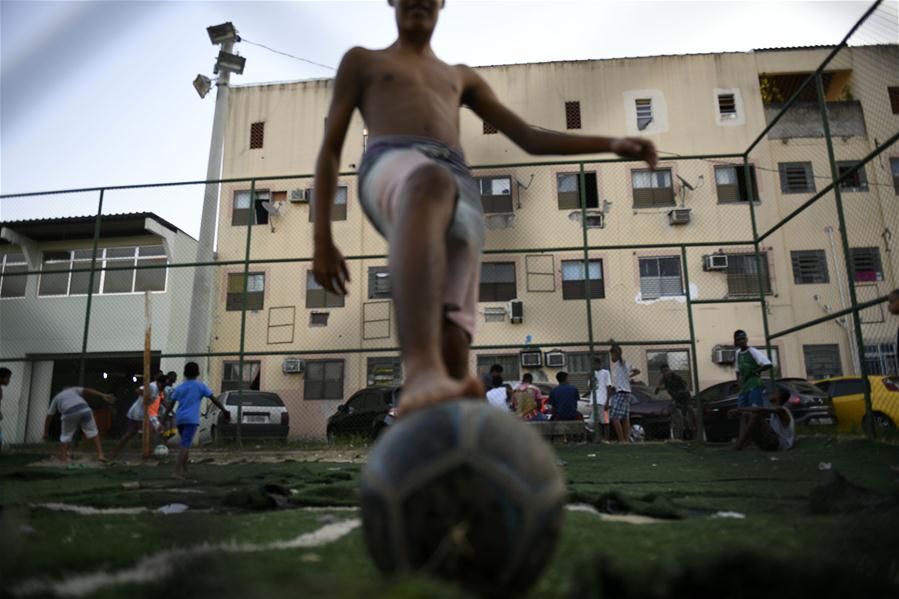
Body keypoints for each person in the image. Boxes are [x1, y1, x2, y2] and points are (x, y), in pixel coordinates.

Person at [311, 0, 657, 417]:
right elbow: (330, 149)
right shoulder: (363, 61)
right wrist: (322, 238)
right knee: (428, 181)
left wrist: (612, 144)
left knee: (455, 340)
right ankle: (420, 370)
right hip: (391, 162)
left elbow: (529, 137)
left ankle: (454, 435)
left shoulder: (459, 77)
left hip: (456, 179)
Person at [160, 362, 228, 480]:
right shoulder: (200, 386)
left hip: (180, 419)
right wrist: (224, 410)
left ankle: (185, 470)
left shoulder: (180, 387)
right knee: (185, 445)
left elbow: (171, 405)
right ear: (197, 373)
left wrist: (164, 418)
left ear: (185, 373)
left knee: (185, 444)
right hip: (191, 419)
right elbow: (213, 399)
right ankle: (176, 471)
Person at [43, 387, 116, 464]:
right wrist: (103, 395)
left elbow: (49, 417)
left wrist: (46, 432)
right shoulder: (72, 390)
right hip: (85, 409)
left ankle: (63, 459)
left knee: (66, 435)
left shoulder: (56, 398)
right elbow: (88, 390)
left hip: (69, 412)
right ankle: (100, 455)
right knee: (93, 432)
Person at [108, 374, 167, 461]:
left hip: (142, 413)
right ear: (159, 383)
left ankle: (114, 453)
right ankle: (148, 454)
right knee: (150, 431)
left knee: (130, 434)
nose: (164, 387)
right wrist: (146, 394)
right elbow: (138, 390)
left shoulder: (158, 390)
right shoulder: (152, 386)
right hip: (138, 413)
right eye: (163, 385)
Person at [733, 329, 773, 441]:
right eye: (739, 339)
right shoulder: (737, 353)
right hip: (744, 386)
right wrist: (738, 382)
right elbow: (737, 369)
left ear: (746, 339)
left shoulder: (753, 351)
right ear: (736, 341)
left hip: (755, 384)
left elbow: (768, 364)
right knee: (742, 411)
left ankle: (765, 436)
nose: (741, 341)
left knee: (755, 412)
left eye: (743, 339)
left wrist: (757, 371)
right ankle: (745, 439)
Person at [730, 384, 795, 451]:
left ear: (779, 396)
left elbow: (761, 410)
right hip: (769, 442)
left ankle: (739, 445)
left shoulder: (783, 410)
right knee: (745, 415)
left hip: (778, 444)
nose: (771, 394)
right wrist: (739, 412)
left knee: (755, 415)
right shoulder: (774, 412)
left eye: (775, 393)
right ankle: (743, 443)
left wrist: (739, 409)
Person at [609, 345, 633, 443]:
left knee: (614, 417)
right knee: (625, 418)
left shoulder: (621, 363)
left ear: (616, 354)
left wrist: (613, 343)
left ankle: (622, 440)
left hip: (622, 392)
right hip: (626, 392)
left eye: (612, 355)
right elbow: (636, 371)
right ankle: (626, 440)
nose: (611, 358)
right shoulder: (626, 364)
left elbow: (619, 355)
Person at [590, 361, 611, 441]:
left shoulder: (605, 372)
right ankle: (598, 438)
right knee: (596, 422)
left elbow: (609, 386)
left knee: (605, 421)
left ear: (600, 364)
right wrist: (591, 379)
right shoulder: (592, 373)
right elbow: (590, 388)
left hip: (603, 401)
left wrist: (607, 401)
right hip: (594, 401)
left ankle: (606, 439)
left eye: (596, 363)